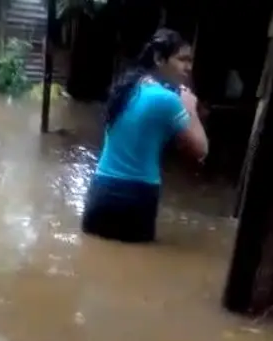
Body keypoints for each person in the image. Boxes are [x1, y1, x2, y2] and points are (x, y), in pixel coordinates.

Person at [81, 28, 209, 243]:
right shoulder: (168, 100)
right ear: (159, 59)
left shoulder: (125, 87)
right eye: (183, 59)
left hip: (100, 194)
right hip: (136, 198)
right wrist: (191, 108)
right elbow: (201, 150)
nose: (189, 67)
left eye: (191, 60)